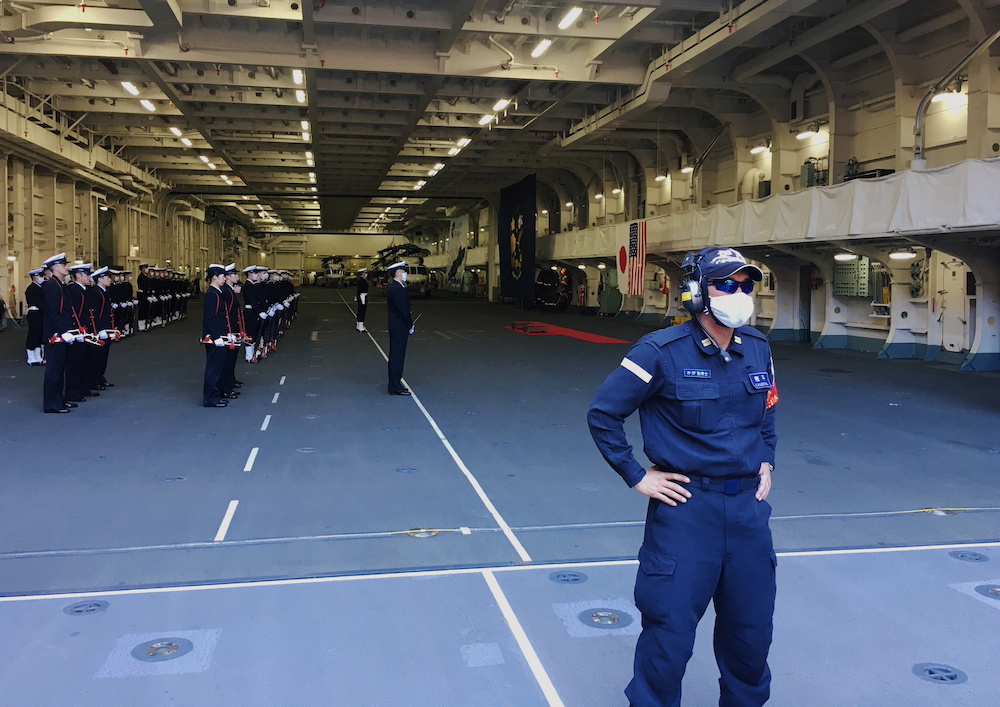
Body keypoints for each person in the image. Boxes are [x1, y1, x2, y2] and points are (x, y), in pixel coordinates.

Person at [587, 246, 778, 707]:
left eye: (746, 283)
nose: (739, 292)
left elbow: (767, 413)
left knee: (751, 639)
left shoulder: (758, 347)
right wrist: (637, 475)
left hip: (749, 516)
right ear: (697, 292)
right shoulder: (659, 351)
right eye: (726, 283)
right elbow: (603, 414)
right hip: (686, 513)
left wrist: (767, 458)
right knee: (668, 641)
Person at [40, 253, 75, 413]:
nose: (66, 268)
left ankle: (59, 399)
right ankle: (51, 404)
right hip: (56, 334)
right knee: (54, 370)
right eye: (63, 265)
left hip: (63, 332)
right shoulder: (52, 286)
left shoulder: (60, 285)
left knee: (60, 369)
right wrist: (62, 332)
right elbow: (54, 313)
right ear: (54, 268)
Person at [202, 264, 230, 408]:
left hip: (220, 335)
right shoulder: (212, 294)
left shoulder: (217, 292)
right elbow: (210, 317)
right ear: (214, 277)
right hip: (215, 337)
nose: (225, 278)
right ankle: (210, 398)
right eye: (222, 276)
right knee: (213, 369)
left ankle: (215, 395)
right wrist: (215, 336)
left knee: (218, 367)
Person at [386, 261, 414, 395]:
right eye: (403, 271)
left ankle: (395, 384)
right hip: (400, 326)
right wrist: (410, 325)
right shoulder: (397, 289)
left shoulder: (395, 287)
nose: (405, 274)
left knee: (396, 355)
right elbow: (403, 310)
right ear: (397, 273)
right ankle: (395, 386)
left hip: (396, 325)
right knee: (397, 356)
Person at [24, 268, 45, 366]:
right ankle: (31, 357)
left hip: (39, 313)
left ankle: (37, 356)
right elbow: (38, 302)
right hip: (34, 313)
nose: (42, 278)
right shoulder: (31, 288)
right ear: (34, 277)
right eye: (40, 276)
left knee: (39, 335)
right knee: (33, 334)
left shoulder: (39, 287)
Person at [355, 268, 369, 332]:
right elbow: (360, 289)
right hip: (362, 296)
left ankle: (358, 325)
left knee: (361, 310)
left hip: (361, 295)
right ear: (362, 273)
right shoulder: (362, 280)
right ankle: (360, 327)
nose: (366, 274)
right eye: (365, 273)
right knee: (362, 311)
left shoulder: (362, 279)